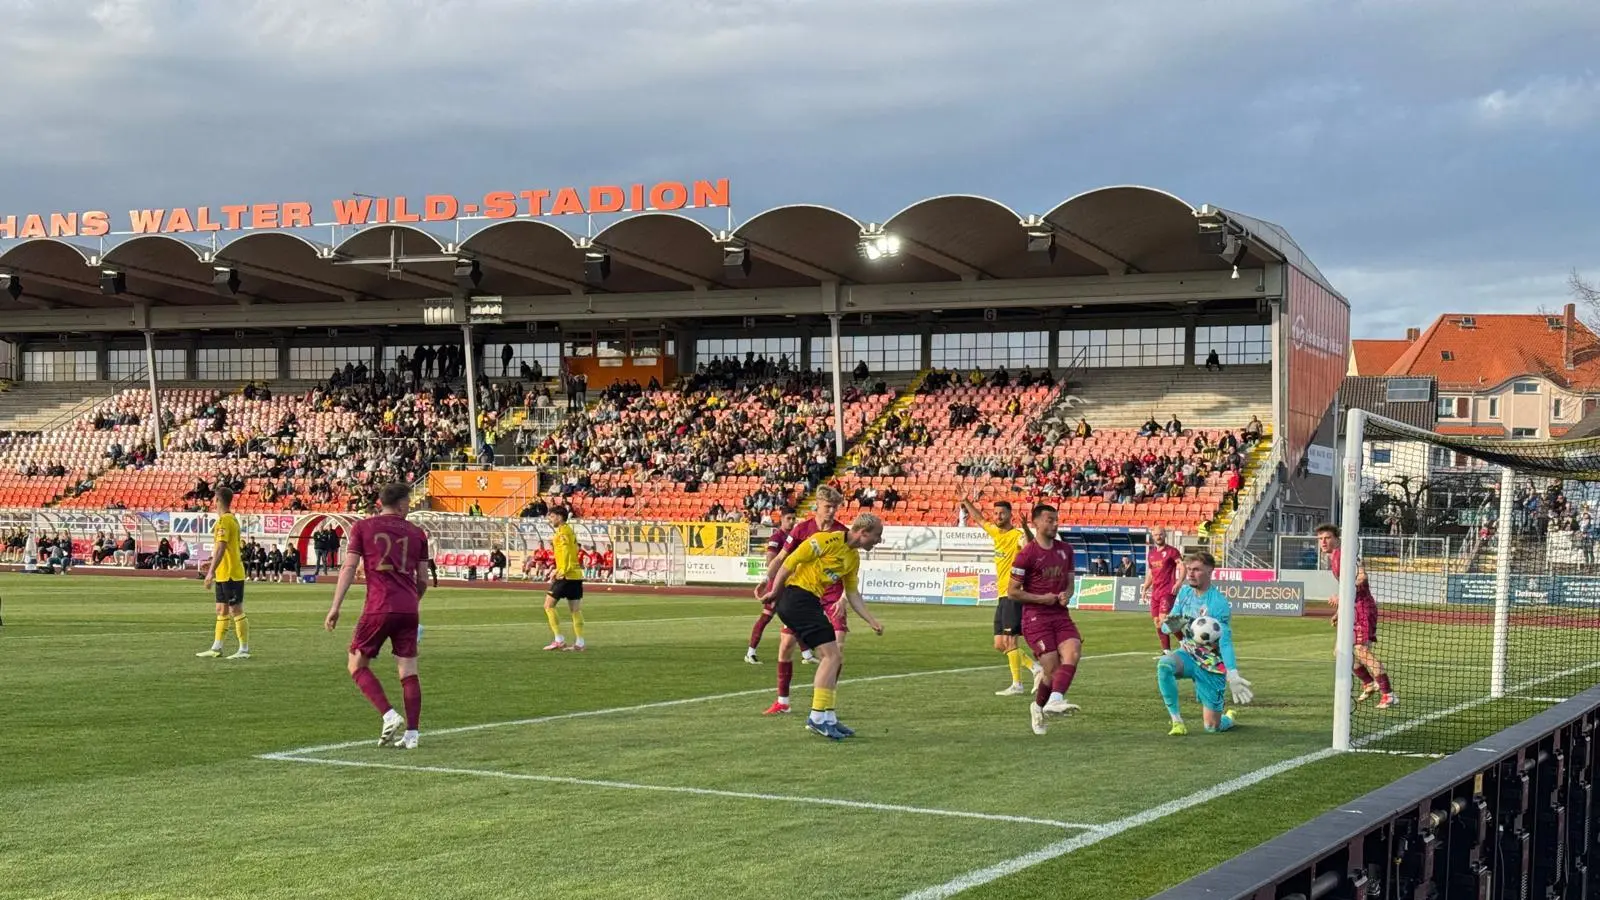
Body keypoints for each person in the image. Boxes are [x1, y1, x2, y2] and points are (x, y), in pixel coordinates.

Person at [759, 513, 885, 740]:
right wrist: (776, 591)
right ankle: (817, 718)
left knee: (834, 657)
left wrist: (871, 620)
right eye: (877, 535)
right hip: (796, 598)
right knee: (831, 657)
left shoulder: (853, 558)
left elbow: (853, 593)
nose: (879, 540)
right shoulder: (827, 541)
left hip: (807, 601)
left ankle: (828, 717)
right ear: (863, 532)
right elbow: (789, 562)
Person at [325, 482, 430, 750]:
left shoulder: (362, 527)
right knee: (408, 670)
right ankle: (413, 735)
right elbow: (423, 580)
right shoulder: (418, 534)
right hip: (408, 608)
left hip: (378, 605)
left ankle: (389, 714)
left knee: (356, 665)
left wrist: (335, 606)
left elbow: (349, 567)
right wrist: (411, 602)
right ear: (402, 503)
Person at [758, 487, 849, 713]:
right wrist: (766, 579)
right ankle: (783, 702)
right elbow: (782, 557)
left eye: (835, 507)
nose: (831, 511)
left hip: (832, 596)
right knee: (786, 646)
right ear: (816, 505)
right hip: (804, 596)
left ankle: (826, 706)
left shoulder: (842, 533)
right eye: (827, 506)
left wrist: (844, 598)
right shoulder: (801, 529)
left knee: (836, 651)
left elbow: (852, 568)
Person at [1156, 550, 1253, 735]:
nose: (1191, 573)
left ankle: (1228, 718)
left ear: (1210, 571)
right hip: (1188, 654)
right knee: (1164, 666)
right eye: (1189, 569)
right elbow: (1166, 628)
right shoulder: (1184, 593)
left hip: (1212, 665)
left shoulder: (1218, 603)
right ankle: (1177, 721)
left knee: (1212, 727)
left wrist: (1232, 673)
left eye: (1197, 570)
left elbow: (1224, 641)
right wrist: (1171, 624)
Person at [1009, 505, 1083, 735]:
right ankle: (1038, 706)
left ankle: (1055, 700)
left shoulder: (1066, 550)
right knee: (1051, 667)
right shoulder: (1026, 554)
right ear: (1036, 523)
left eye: (1056, 520)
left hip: (1060, 614)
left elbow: (1070, 582)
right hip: (1036, 617)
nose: (1055, 524)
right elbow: (1013, 591)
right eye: (1049, 520)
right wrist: (1042, 598)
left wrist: (1067, 595)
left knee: (1073, 650)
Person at [959, 493, 1038, 696]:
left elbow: (1031, 547)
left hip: (1014, 593)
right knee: (999, 643)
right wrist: (966, 501)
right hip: (1002, 594)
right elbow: (979, 519)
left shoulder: (1017, 535)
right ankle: (1035, 668)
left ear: (1010, 515)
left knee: (1011, 641)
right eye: (995, 513)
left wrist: (1027, 529)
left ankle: (1017, 684)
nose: (998, 516)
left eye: (1002, 513)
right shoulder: (996, 533)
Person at [1317, 523, 1397, 709]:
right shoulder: (1334, 558)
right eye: (1320, 539)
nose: (1323, 542)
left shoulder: (1344, 555)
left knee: (1361, 651)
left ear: (1336, 539)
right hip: (1352, 608)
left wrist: (1343, 594)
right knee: (1340, 652)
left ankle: (1388, 694)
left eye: (1327, 538)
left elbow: (1362, 576)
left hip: (1362, 608)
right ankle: (1369, 683)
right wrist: (1339, 611)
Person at [197, 488, 250, 660]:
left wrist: (210, 572)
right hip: (223, 573)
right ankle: (217, 647)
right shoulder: (229, 520)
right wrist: (212, 562)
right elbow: (223, 549)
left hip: (230, 573)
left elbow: (221, 547)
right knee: (221, 609)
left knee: (236, 610)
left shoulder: (225, 521)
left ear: (217, 500)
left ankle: (244, 649)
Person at [746, 507, 797, 664]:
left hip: (791, 582)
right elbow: (770, 560)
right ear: (781, 518)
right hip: (777, 583)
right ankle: (750, 652)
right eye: (788, 518)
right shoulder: (777, 537)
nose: (791, 521)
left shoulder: (795, 536)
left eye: (794, 518)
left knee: (794, 617)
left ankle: (807, 654)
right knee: (767, 617)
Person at [543, 508, 586, 651]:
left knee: (548, 606)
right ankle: (580, 643)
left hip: (566, 575)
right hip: (575, 575)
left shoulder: (563, 532)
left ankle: (559, 640)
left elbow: (567, 553)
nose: (550, 519)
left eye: (552, 516)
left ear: (560, 517)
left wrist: (560, 571)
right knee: (575, 610)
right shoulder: (567, 530)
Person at [1143, 530, 1182, 653]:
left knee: (1163, 619)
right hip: (1156, 592)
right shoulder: (1152, 554)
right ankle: (1167, 651)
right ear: (1152, 536)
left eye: (1160, 534)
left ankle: (1184, 643)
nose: (1158, 537)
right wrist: (1145, 587)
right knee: (1158, 623)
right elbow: (1151, 573)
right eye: (1155, 535)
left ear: (1165, 535)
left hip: (1167, 591)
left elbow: (1182, 566)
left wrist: (1179, 581)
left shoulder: (1172, 551)